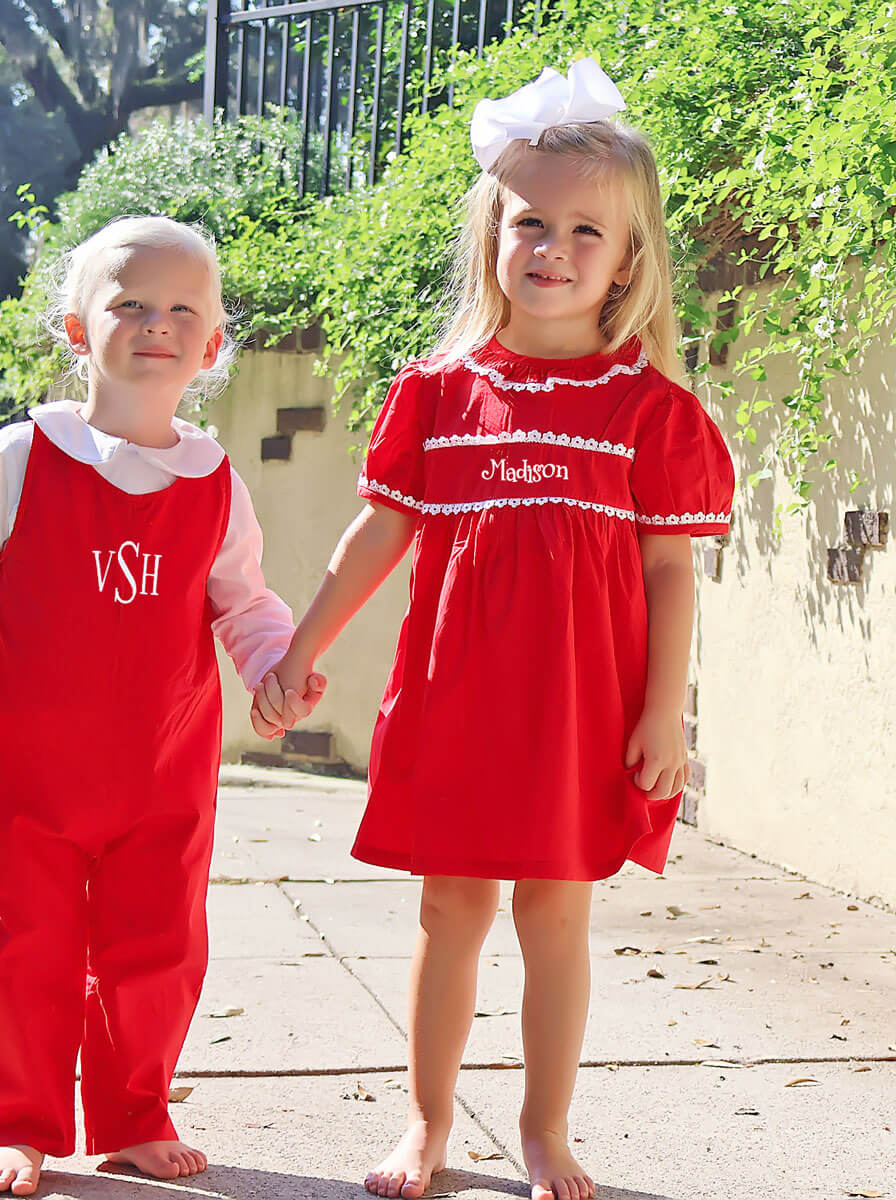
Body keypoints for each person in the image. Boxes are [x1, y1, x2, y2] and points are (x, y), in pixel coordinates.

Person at [253, 59, 735, 1200]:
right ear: (493, 235)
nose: (552, 248)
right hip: (460, 697)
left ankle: (545, 1130)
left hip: (578, 707)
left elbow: (671, 571)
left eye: (584, 231)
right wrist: (302, 647)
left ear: (626, 262)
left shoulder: (647, 412)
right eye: (530, 222)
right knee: (449, 905)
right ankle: (425, 1127)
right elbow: (375, 539)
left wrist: (664, 709)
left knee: (554, 912)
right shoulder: (438, 392)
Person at [0, 216, 321, 1196]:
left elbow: (245, 600)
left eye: (182, 309)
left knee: (157, 953)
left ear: (212, 347)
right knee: (19, 950)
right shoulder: (26, 455)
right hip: (31, 778)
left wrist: (272, 666)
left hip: (161, 780)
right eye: (129, 303)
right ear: (79, 329)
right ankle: (17, 1124)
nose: (156, 323)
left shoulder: (214, 481)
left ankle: (134, 1114)